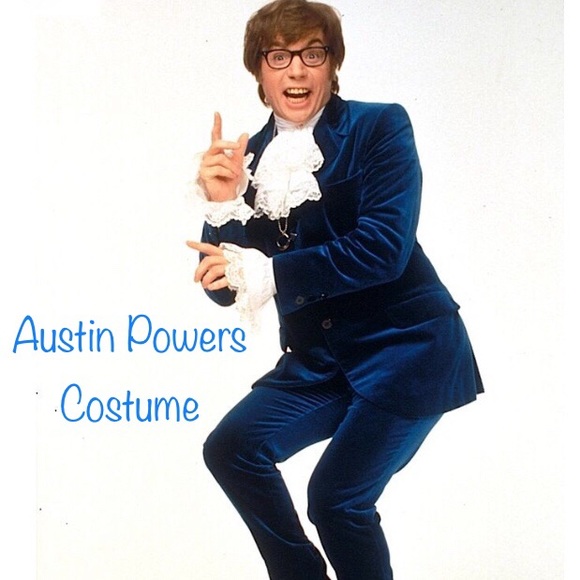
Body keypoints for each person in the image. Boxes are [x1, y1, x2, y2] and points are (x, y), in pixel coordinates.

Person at [186, 1, 483, 578]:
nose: (296, 70)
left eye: (312, 54)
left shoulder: (379, 127)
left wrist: (273, 274)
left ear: (332, 64)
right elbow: (226, 289)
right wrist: (223, 205)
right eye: (279, 57)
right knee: (231, 449)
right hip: (320, 363)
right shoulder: (247, 160)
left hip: (407, 353)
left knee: (336, 500)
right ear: (260, 70)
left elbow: (383, 250)